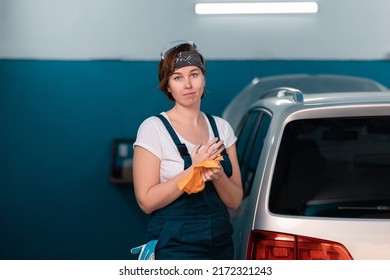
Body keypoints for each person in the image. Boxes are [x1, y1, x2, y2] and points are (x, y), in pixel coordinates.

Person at [132, 40, 243, 260]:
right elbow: (146, 201)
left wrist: (218, 176)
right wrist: (194, 171)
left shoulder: (221, 128)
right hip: (173, 247)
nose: (188, 85)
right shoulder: (153, 129)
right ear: (168, 86)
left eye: (194, 74)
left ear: (203, 78)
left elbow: (235, 200)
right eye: (178, 77)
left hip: (220, 246)